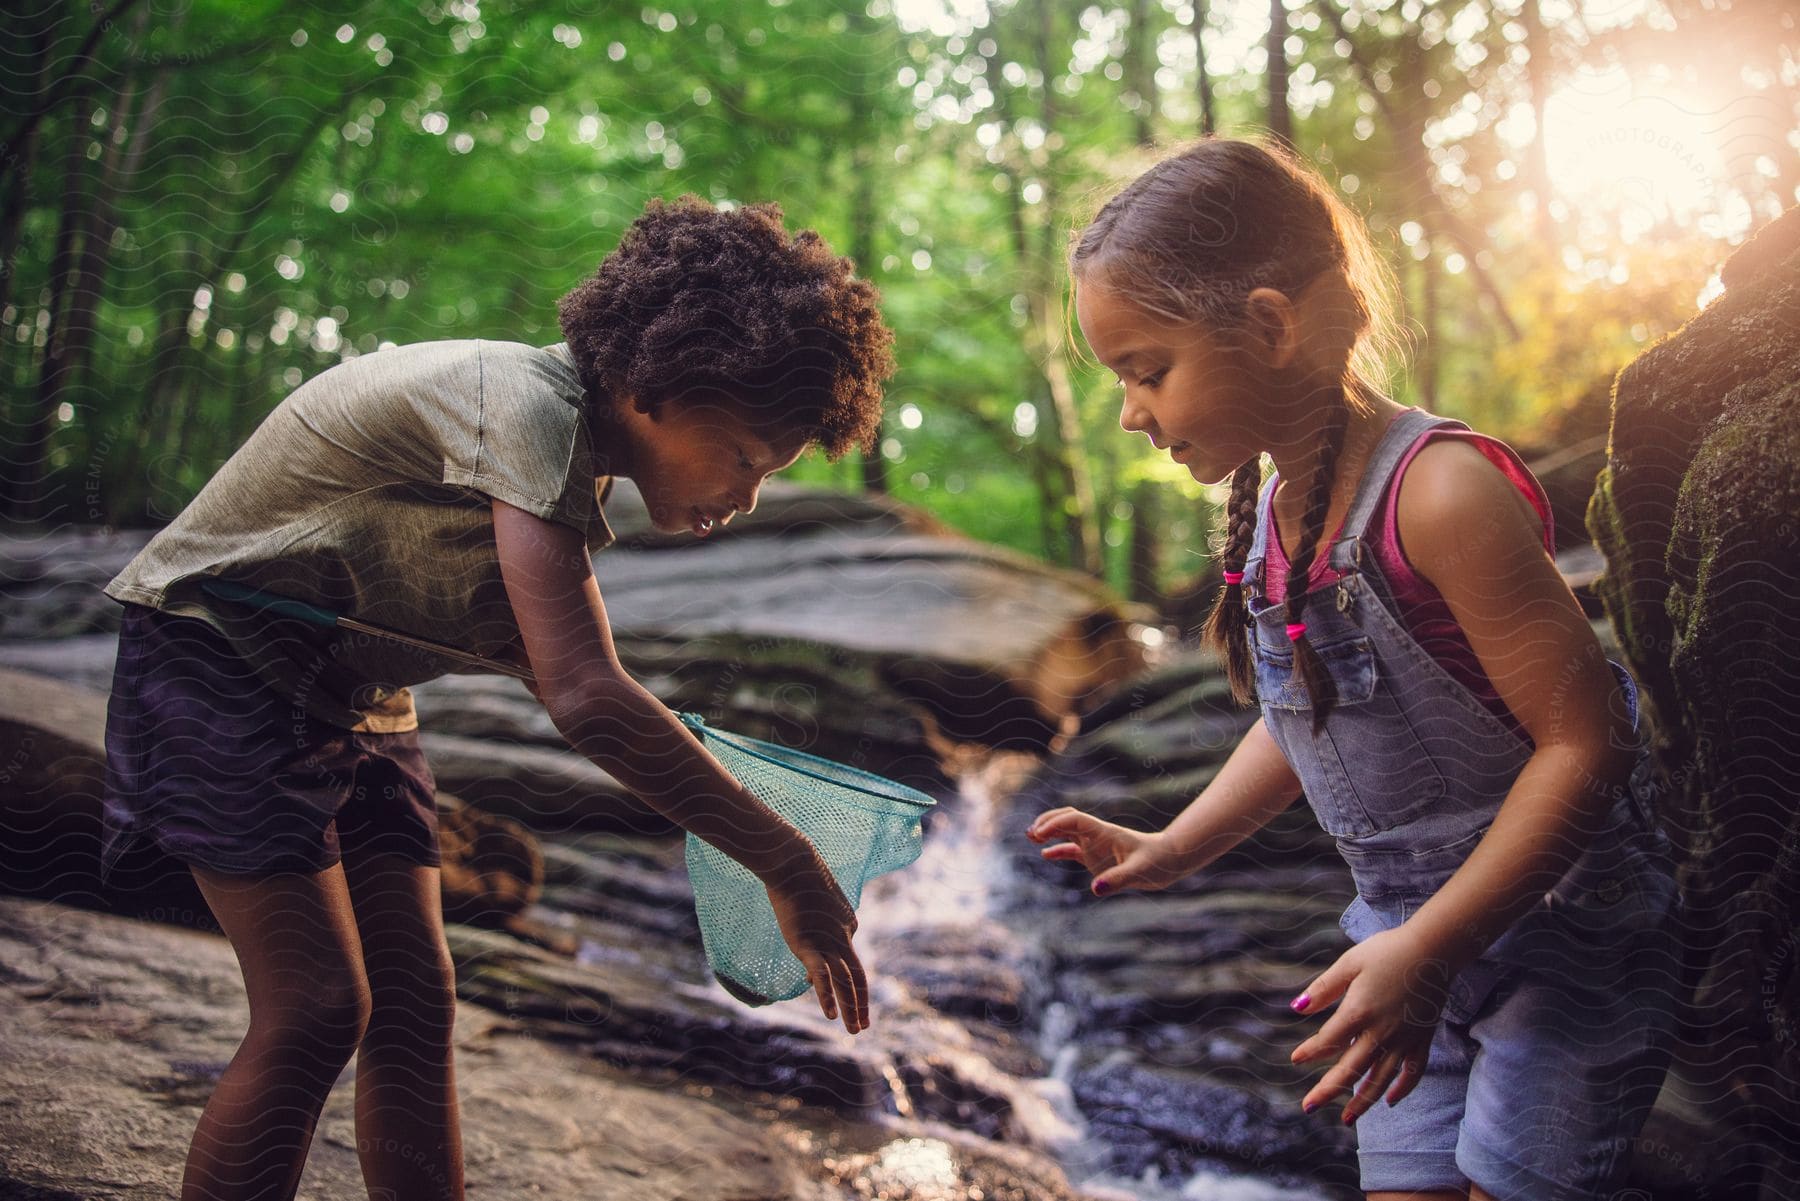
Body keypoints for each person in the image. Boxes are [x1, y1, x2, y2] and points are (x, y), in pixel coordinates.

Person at [98, 195, 894, 1201]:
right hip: (216, 660)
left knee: (417, 998)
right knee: (314, 1009)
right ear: (663, 383)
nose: (745, 498)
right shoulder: (526, 409)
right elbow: (586, 695)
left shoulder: (565, 455)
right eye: (745, 460)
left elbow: (575, 672)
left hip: (351, 691)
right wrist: (786, 857)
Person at [1025, 137, 1685, 1201]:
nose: (1130, 412)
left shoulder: (1439, 494)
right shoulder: (1269, 523)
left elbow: (1585, 741)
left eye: (1148, 371)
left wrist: (1429, 946)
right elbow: (1303, 715)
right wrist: (1175, 844)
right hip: (1404, 946)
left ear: (1272, 325)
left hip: (1564, 932)